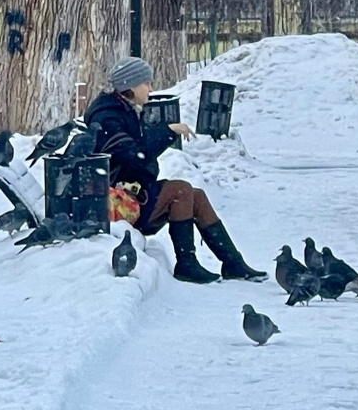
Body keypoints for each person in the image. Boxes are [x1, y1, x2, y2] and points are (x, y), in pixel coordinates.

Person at [84, 57, 265, 284]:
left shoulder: (123, 109)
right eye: (146, 83)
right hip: (118, 203)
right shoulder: (108, 117)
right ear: (129, 86)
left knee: (196, 196)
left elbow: (137, 155)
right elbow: (135, 156)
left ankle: (233, 263)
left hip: (131, 192)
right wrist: (168, 130)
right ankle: (186, 263)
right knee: (180, 190)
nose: (151, 88)